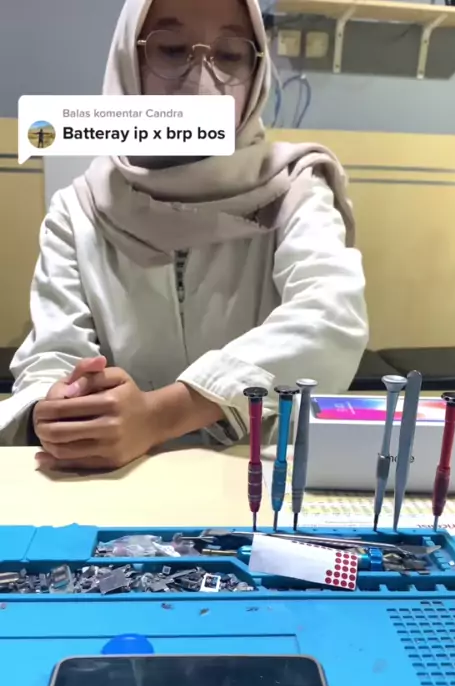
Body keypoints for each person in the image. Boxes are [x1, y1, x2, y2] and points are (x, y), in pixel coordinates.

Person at [0, 0, 368, 471]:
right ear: (128, 62)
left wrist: (162, 415)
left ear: (257, 71)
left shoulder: (295, 186)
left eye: (231, 55)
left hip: (258, 474)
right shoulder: (79, 210)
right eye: (172, 50)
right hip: (116, 480)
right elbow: (51, 358)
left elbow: (330, 317)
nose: (202, 82)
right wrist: (59, 408)